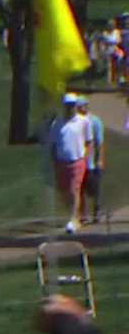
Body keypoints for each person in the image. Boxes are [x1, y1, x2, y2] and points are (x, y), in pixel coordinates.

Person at [50, 93, 93, 234]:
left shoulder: (83, 122)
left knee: (74, 190)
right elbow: (54, 144)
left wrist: (86, 159)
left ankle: (73, 219)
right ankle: (74, 215)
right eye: (67, 106)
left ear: (76, 106)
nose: (70, 108)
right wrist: (54, 161)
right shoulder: (58, 123)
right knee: (63, 191)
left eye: (72, 105)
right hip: (61, 161)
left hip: (77, 161)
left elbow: (88, 141)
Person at [81, 96, 107, 224]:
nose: (80, 109)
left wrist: (100, 159)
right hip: (80, 161)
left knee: (95, 188)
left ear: (86, 106)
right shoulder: (76, 121)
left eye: (81, 106)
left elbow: (100, 143)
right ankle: (83, 215)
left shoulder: (95, 121)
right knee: (80, 189)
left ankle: (97, 211)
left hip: (92, 162)